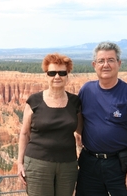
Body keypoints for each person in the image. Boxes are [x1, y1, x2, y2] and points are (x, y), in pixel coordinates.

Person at [75, 41, 127, 196]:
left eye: (111, 60)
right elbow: (79, 122)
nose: (106, 65)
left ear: (119, 63)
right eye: (101, 61)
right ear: (94, 65)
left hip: (121, 165)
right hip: (89, 164)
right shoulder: (86, 90)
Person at [17, 53, 83, 196]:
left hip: (68, 164)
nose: (57, 77)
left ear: (67, 75)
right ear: (46, 75)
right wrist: (20, 163)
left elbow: (81, 132)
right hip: (37, 163)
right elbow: (24, 133)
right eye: (52, 73)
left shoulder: (75, 102)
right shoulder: (34, 101)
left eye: (62, 73)